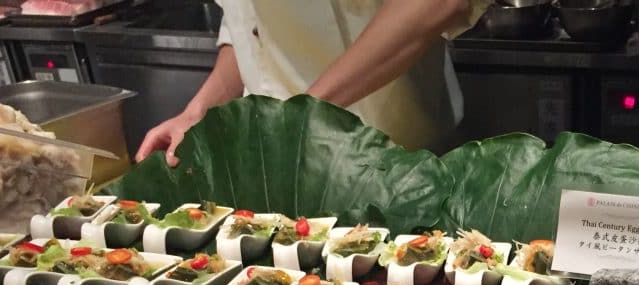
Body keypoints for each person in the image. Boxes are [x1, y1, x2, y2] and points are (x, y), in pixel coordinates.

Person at [136, 0, 491, 166]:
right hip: (271, 157)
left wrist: (299, 115)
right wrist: (201, 110)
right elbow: (248, 22)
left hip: (388, 159)